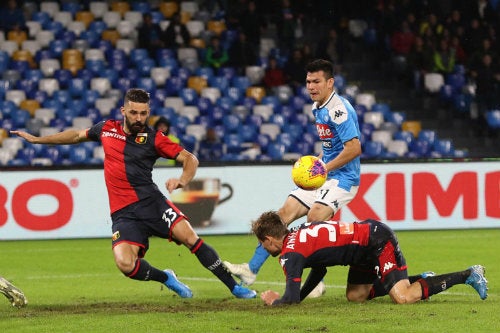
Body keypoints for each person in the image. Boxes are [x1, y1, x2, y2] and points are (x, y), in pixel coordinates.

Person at [11, 88, 256, 300]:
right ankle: (166, 278)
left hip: (153, 204)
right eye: (134, 112)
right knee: (125, 264)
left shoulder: (154, 139)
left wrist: (183, 180)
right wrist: (37, 140)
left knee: (190, 238)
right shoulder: (106, 129)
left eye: (144, 113)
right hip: (123, 213)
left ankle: (235, 287)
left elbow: (189, 158)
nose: (139, 118)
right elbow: (76, 135)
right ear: (123, 111)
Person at [224, 59, 362, 297]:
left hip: (344, 179)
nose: (311, 86)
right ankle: (251, 269)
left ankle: (315, 281)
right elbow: (331, 147)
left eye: (316, 81)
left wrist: (323, 169)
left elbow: (354, 149)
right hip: (325, 174)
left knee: (315, 217)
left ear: (330, 83)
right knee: (282, 216)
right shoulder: (318, 106)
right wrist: (315, 165)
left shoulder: (338, 110)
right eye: (308, 82)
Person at [253, 211, 489, 306]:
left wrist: (275, 300)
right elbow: (320, 270)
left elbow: (290, 300)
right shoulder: (299, 232)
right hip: (363, 247)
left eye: (261, 243)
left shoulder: (290, 254)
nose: (263, 248)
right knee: (356, 296)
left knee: (403, 298)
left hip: (375, 241)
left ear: (269, 238)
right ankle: (422, 281)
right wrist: (300, 297)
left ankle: (469, 274)